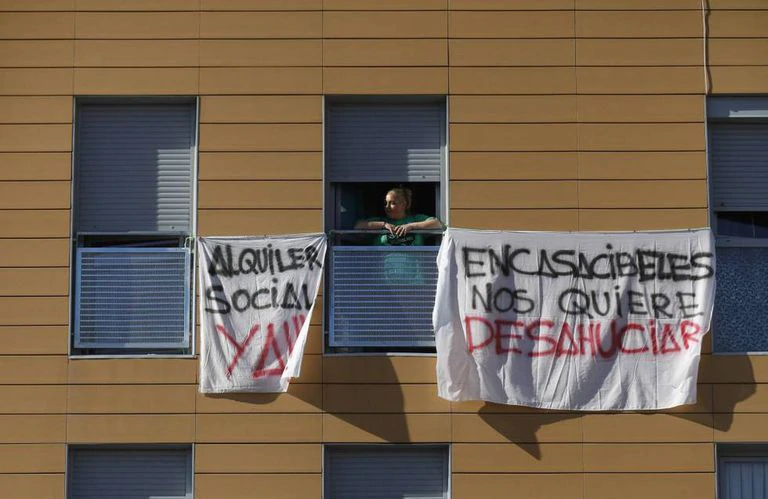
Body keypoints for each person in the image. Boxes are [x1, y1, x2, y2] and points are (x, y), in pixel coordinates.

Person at [354, 187, 443, 246]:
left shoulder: (415, 219)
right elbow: (358, 226)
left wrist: (411, 226)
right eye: (386, 203)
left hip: (414, 274)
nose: (387, 207)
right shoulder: (380, 220)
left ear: (404, 204)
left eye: (392, 203)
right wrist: (383, 225)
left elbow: (437, 224)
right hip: (383, 274)